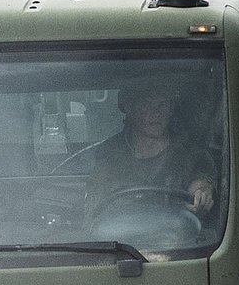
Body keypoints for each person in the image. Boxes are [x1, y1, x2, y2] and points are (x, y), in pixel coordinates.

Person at [86, 80, 221, 221]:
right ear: (129, 108)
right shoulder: (109, 152)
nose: (156, 113)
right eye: (146, 104)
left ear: (171, 108)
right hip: (120, 238)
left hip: (177, 239)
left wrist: (200, 195)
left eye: (162, 104)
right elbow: (95, 203)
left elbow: (201, 183)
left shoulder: (193, 154)